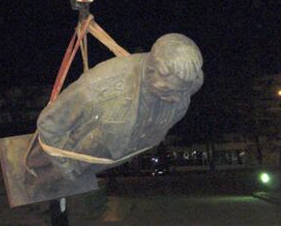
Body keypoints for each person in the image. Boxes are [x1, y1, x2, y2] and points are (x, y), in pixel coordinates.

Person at [27, 33, 204, 186]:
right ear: (151, 72)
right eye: (168, 90)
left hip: (102, 158)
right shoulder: (97, 88)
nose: (177, 98)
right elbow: (49, 124)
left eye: (182, 91)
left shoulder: (185, 86)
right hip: (66, 157)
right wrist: (64, 167)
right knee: (35, 183)